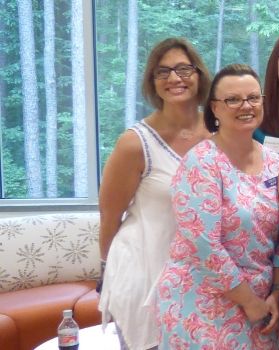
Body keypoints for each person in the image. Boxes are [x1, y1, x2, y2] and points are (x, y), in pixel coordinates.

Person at [155, 64, 279, 349]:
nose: (246, 106)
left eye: (253, 98)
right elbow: (205, 245)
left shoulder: (275, 163)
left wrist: (276, 290)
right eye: (233, 99)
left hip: (262, 305)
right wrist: (248, 301)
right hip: (203, 303)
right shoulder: (201, 162)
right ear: (214, 108)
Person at [97, 37, 210, 350]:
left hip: (198, 279)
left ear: (199, 75)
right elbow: (109, 217)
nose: (174, 78)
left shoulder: (219, 133)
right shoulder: (135, 143)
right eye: (163, 72)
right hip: (142, 275)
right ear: (153, 82)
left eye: (184, 69)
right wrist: (105, 272)